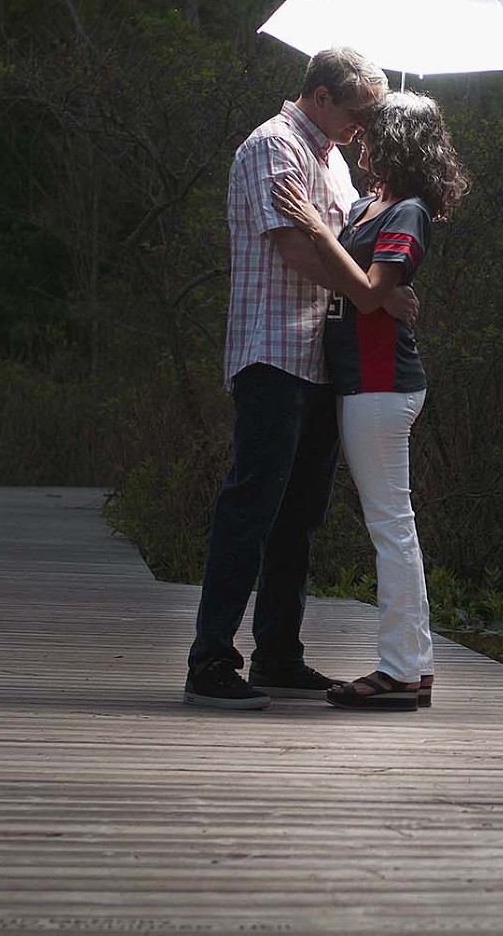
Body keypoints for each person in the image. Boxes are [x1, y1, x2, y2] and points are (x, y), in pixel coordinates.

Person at [184, 46, 417, 710]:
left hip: (320, 357)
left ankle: (278, 655)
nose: (362, 125)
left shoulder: (334, 160)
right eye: (355, 111)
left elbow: (345, 243)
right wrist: (369, 294)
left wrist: (383, 274)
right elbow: (293, 246)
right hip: (272, 352)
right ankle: (210, 659)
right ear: (319, 95)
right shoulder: (272, 147)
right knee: (252, 503)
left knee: (300, 516)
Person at [271, 90, 468, 711]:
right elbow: (369, 290)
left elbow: (369, 291)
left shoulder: (407, 211)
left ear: (397, 140)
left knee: (391, 525)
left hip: (382, 383)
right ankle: (414, 663)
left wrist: (310, 224)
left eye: (373, 130)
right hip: (361, 381)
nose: (361, 138)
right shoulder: (366, 206)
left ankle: (401, 670)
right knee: (391, 524)